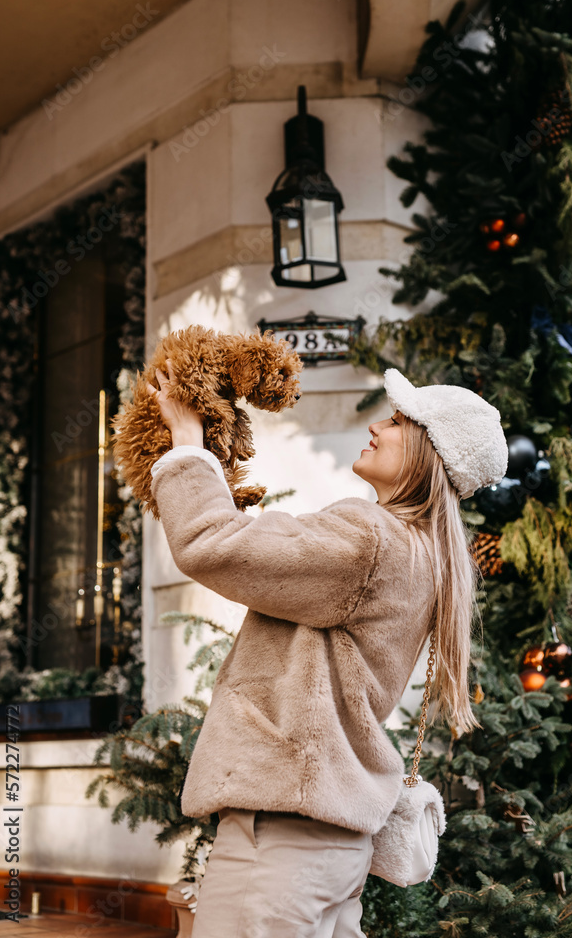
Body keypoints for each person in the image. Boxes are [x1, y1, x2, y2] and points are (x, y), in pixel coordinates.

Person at [147, 359, 508, 938]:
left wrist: (189, 441)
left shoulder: (371, 540)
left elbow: (211, 544)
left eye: (395, 421)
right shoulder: (420, 555)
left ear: (427, 453)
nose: (376, 427)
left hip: (284, 839)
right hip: (330, 842)